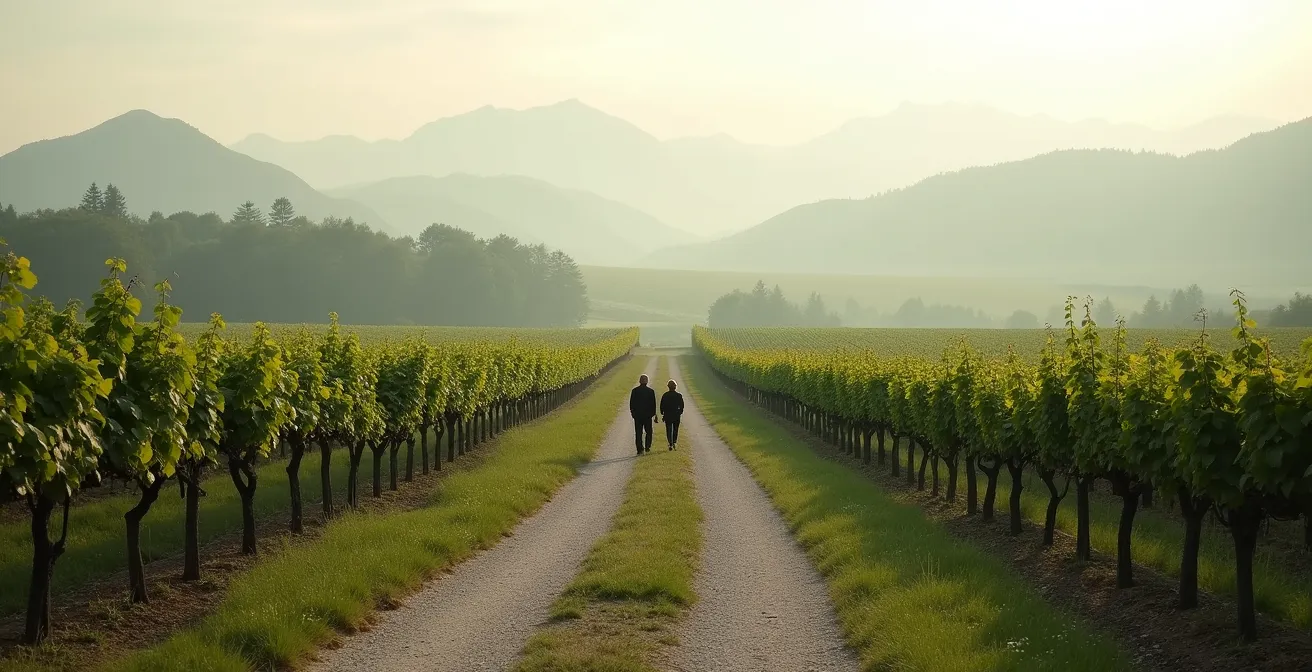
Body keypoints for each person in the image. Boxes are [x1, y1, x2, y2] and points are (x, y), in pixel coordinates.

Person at [629, 374, 658, 455]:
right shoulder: (651, 391)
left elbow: (631, 403)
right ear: (647, 381)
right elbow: (653, 404)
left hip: (637, 416)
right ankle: (647, 447)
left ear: (639, 381)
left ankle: (639, 449)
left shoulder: (634, 391)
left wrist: (633, 413)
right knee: (649, 432)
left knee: (638, 433)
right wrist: (653, 414)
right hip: (647, 416)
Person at [660, 380, 684, 450]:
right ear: (675, 387)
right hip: (676, 415)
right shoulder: (679, 395)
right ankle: (674, 442)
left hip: (667, 415)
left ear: (668, 387)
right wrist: (680, 412)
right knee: (675, 429)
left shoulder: (665, 395)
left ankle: (670, 443)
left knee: (668, 429)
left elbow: (662, 405)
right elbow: (682, 405)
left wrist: (662, 412)